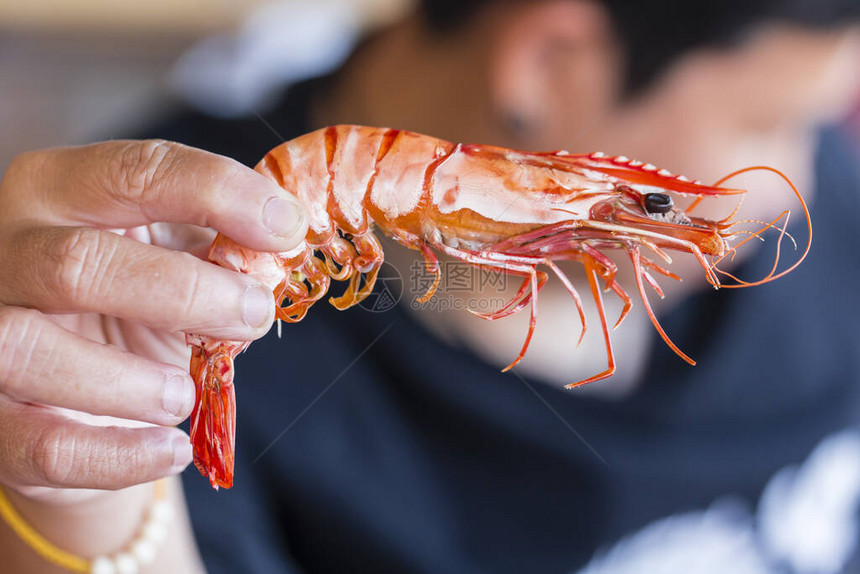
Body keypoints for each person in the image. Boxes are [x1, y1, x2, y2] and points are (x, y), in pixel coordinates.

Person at [0, 1, 858, 572]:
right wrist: (88, 514)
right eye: (769, 124)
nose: (800, 189)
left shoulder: (820, 205)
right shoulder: (148, 316)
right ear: (546, 60)